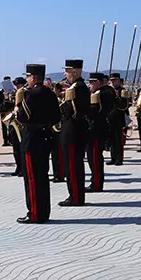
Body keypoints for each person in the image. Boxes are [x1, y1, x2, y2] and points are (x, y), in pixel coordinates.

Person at [16, 64, 61, 224]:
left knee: (32, 179)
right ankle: (44, 212)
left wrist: (17, 107)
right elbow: (57, 116)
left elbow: (22, 116)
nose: (27, 79)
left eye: (28, 76)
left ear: (33, 77)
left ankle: (35, 213)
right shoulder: (49, 93)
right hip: (46, 138)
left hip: (32, 139)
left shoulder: (31, 94)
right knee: (42, 177)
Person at [58, 59, 90, 206]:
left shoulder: (79, 88)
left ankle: (76, 197)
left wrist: (61, 104)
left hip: (73, 131)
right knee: (71, 165)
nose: (65, 73)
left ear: (76, 72)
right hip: (72, 130)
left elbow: (72, 111)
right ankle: (75, 195)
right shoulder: (76, 87)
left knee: (73, 166)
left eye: (68, 71)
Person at [86, 72, 113, 192]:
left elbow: (94, 112)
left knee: (95, 158)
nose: (90, 85)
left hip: (97, 129)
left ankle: (96, 184)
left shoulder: (101, 93)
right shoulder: (107, 91)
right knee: (93, 157)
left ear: (97, 82)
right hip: (98, 128)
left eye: (91, 83)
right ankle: (95, 182)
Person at [107, 73, 129, 166]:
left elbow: (124, 106)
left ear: (119, 81)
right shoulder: (109, 91)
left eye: (115, 80)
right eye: (111, 80)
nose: (113, 82)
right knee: (111, 140)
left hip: (119, 118)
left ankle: (119, 159)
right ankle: (113, 158)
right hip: (110, 118)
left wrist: (117, 97)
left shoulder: (123, 91)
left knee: (118, 140)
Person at [8, 77, 27, 176]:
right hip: (14, 122)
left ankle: (23, 168)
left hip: (21, 123)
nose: (17, 87)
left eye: (18, 85)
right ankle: (18, 167)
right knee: (15, 148)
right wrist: (7, 98)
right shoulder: (14, 93)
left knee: (21, 147)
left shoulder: (26, 93)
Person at [50, 82, 66, 182]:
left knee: (58, 153)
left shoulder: (61, 100)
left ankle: (60, 174)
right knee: (54, 154)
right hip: (54, 127)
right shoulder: (55, 100)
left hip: (59, 128)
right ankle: (56, 173)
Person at [0, 76, 14, 147]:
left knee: (11, 126)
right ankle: (5, 140)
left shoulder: (13, 91)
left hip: (10, 111)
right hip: (3, 111)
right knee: (4, 127)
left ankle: (11, 140)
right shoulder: (0, 92)